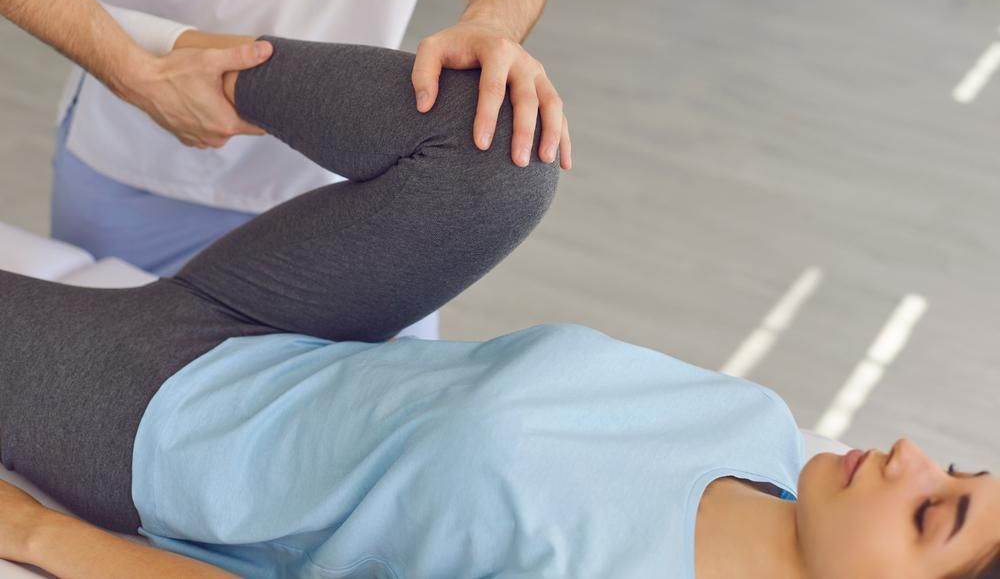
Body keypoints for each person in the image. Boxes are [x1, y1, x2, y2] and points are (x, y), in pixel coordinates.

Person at [0, 36, 997, 579]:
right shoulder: (762, 433)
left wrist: (36, 535)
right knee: (502, 147)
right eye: (956, 468)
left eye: (932, 513)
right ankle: (191, 65)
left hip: (161, 422)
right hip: (299, 329)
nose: (910, 456)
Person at [1, 0, 570, 340]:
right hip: (138, 163)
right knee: (104, 383)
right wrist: (133, 74)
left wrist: (492, 20)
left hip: (350, 191)